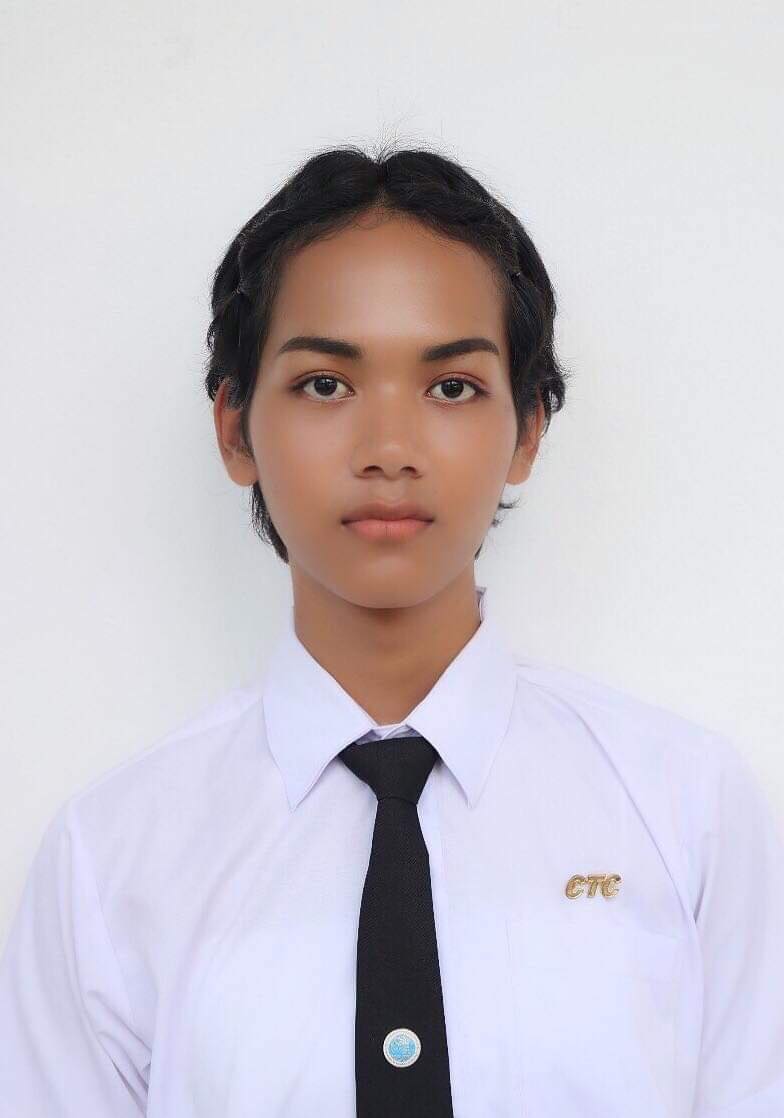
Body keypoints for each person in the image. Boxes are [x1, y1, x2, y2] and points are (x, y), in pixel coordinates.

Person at [1, 142, 782, 1117]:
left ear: (528, 429)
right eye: (325, 384)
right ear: (235, 429)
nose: (388, 450)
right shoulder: (110, 858)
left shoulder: (687, 809)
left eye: (451, 386)